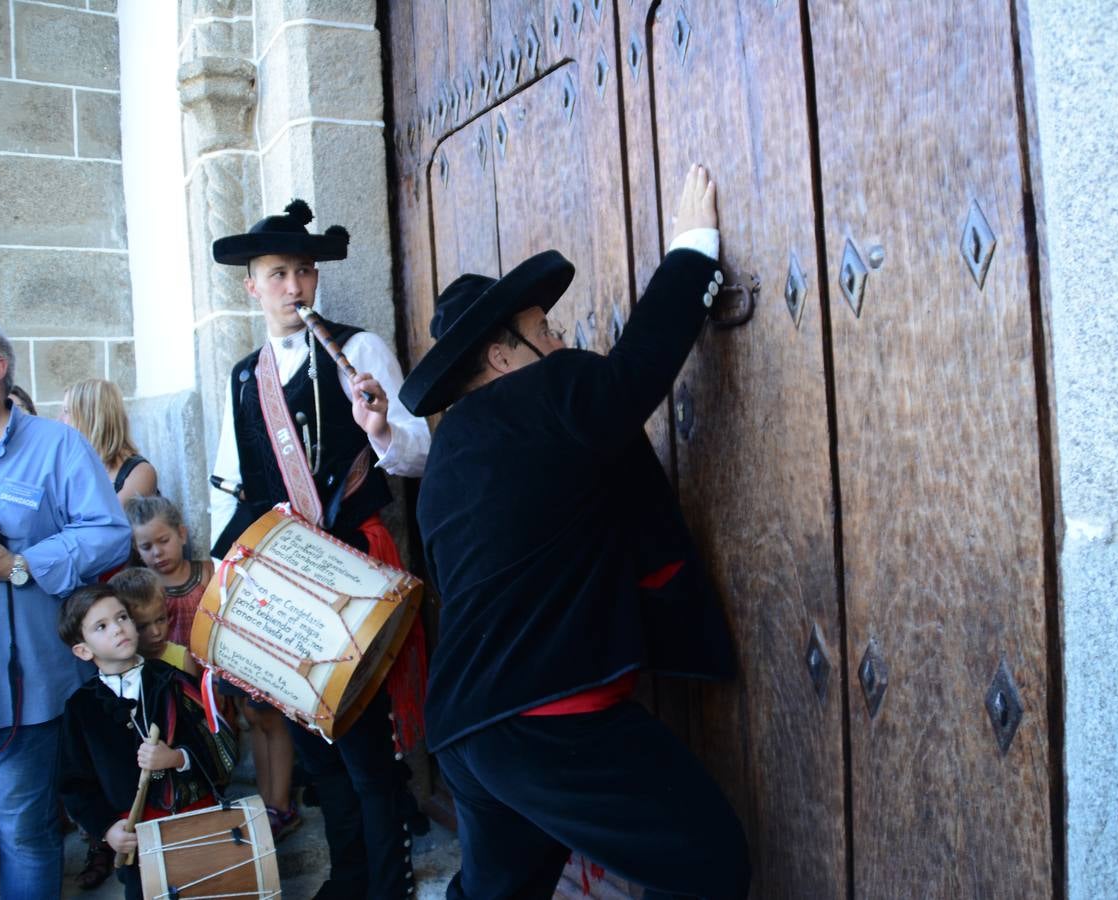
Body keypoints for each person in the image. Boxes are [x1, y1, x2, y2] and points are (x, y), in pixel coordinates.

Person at [399, 165, 750, 899]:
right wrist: (693, 247)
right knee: (709, 864)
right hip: (550, 723)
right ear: (503, 355)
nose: (559, 341)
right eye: (544, 331)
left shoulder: (449, 459)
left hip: (468, 730)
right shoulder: (546, 394)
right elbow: (632, 377)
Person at [209, 198, 431, 898]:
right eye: (277, 274)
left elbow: (421, 454)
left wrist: (380, 427)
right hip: (284, 583)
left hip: (354, 573)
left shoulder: (359, 351)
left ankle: (387, 885)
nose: (294, 287)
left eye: (303, 271)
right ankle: (350, 875)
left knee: (366, 747)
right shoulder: (245, 376)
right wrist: (231, 586)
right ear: (251, 285)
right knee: (317, 751)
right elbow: (229, 486)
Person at [0, 315, 132, 898]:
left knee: (24, 833)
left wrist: (18, 565)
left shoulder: (55, 445)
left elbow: (109, 533)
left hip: (27, 693)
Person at [57, 584, 237, 900]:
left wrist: (177, 758)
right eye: (102, 626)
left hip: (192, 823)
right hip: (136, 839)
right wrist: (106, 828)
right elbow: (74, 783)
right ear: (84, 650)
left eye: (122, 617)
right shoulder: (80, 708)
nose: (118, 628)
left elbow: (217, 741)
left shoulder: (171, 680)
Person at [125, 495, 213, 648]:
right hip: (167, 670)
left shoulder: (208, 574)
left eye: (164, 541)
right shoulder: (140, 591)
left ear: (182, 534)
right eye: (146, 547)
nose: (157, 552)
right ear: (136, 549)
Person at [61, 378, 158, 502]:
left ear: (92, 417)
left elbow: (106, 519)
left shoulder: (139, 473)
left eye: (66, 411)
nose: (60, 419)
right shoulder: (75, 464)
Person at [108, 567, 200, 676]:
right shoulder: (118, 668)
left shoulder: (183, 659)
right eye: (142, 627)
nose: (156, 632)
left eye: (161, 619)